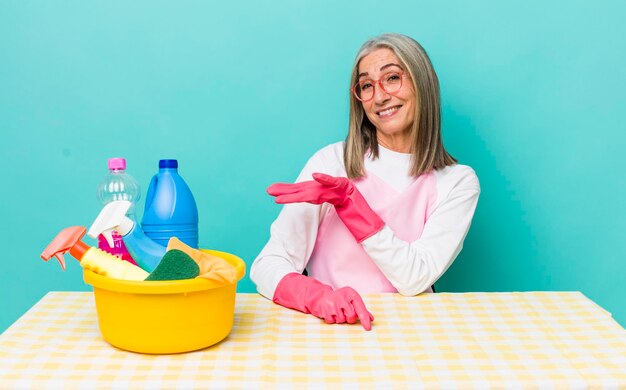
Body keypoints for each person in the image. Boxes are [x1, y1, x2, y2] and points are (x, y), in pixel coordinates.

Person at [250, 33, 480, 331]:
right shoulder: (331, 163)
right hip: (331, 329)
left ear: (422, 83)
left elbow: (415, 278)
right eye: (367, 86)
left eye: (393, 78)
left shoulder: (457, 182)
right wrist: (317, 296)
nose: (380, 96)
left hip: (417, 333)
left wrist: (350, 204)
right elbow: (267, 266)